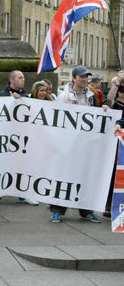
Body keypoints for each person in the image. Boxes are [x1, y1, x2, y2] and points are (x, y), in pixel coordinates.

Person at [51, 66, 101, 223]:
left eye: (86, 77)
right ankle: (58, 210)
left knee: (85, 176)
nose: (84, 80)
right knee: (64, 175)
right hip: (69, 142)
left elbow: (96, 114)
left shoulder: (91, 96)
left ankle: (86, 211)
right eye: (81, 77)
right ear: (74, 79)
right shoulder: (65, 96)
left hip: (85, 142)